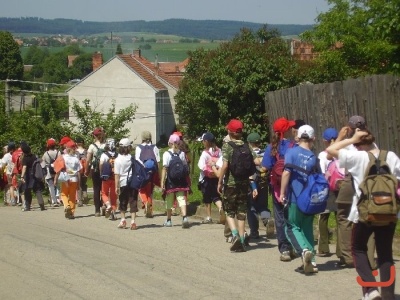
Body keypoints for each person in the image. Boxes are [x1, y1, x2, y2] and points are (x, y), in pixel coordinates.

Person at [327, 127, 399, 300]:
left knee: (358, 248)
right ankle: (388, 295)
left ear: (358, 144)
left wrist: (350, 139)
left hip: (364, 213)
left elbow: (330, 151)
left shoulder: (358, 157)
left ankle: (371, 289)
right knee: (385, 254)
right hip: (389, 212)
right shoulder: (391, 156)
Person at [280, 125, 319, 274]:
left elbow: (286, 173)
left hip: (295, 197)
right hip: (310, 199)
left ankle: (303, 251)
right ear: (313, 138)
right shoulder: (313, 157)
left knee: (291, 226)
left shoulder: (291, 152)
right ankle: (313, 261)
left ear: (298, 137)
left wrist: (282, 192)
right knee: (307, 228)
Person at [217, 119, 258, 252]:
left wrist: (219, 181)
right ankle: (242, 238)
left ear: (230, 131)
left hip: (231, 183)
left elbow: (225, 166)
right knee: (241, 211)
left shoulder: (227, 146)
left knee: (229, 210)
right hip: (244, 183)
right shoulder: (247, 146)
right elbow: (256, 161)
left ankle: (234, 235)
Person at [261, 117, 296, 261]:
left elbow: (265, 167)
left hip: (276, 188)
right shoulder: (293, 146)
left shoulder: (271, 147)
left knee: (280, 219)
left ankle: (284, 250)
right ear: (286, 130)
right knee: (292, 219)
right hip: (293, 187)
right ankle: (295, 246)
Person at [317, 127, 339, 257]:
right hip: (340, 187)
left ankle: (323, 248)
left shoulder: (323, 155)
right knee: (340, 218)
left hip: (327, 188)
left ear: (325, 141)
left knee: (323, 217)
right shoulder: (343, 152)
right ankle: (341, 250)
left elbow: (321, 172)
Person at [160, 134, 190, 228]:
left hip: (170, 180)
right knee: (181, 198)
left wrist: (162, 182)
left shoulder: (166, 154)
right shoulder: (182, 153)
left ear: (169, 143)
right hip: (181, 180)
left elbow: (165, 168)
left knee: (169, 200)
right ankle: (184, 218)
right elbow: (185, 166)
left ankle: (169, 220)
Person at [246, 132, 272, 241]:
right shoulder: (265, 153)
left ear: (249, 143)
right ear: (259, 143)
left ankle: (254, 232)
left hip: (252, 183)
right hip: (264, 183)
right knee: (262, 206)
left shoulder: (248, 153)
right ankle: (267, 220)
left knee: (251, 207)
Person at [197, 132, 225, 224]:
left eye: (203, 141)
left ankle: (209, 217)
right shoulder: (219, 151)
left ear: (206, 141)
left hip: (206, 179)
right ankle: (221, 208)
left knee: (207, 198)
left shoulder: (205, 153)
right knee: (216, 196)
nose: (203, 143)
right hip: (216, 176)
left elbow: (200, 165)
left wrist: (207, 170)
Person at [114, 138, 139, 230]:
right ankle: (133, 222)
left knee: (123, 201)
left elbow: (117, 174)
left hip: (123, 183)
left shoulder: (117, 160)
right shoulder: (132, 158)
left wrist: (116, 186)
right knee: (133, 201)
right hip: (132, 182)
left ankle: (123, 220)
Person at [135, 131, 160, 218]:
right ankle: (150, 209)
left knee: (141, 189)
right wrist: (158, 172)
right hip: (152, 171)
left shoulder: (139, 147)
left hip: (142, 171)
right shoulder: (154, 147)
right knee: (150, 191)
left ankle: (145, 203)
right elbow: (158, 160)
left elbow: (137, 159)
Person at [54, 141, 81, 219]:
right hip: (74, 179)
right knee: (72, 196)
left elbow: (58, 170)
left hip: (66, 179)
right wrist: (79, 184)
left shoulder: (63, 157)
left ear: (66, 148)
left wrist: (55, 179)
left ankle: (66, 206)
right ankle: (72, 213)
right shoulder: (76, 159)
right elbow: (79, 172)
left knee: (64, 194)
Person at [85, 127, 106, 217]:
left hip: (95, 169)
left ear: (94, 135)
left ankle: (97, 210)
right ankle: (105, 204)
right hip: (105, 169)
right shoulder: (106, 145)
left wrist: (86, 170)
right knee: (104, 189)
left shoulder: (92, 146)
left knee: (96, 189)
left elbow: (88, 160)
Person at [20, 142, 46, 212]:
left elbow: (24, 167)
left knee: (27, 191)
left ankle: (28, 207)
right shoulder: (34, 156)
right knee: (37, 190)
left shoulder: (25, 159)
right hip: (36, 174)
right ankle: (42, 205)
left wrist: (22, 176)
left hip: (28, 176)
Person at [99, 138, 118, 220]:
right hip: (115, 177)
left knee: (104, 193)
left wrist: (101, 172)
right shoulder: (118, 155)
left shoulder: (104, 155)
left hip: (106, 176)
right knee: (114, 195)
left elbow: (101, 164)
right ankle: (113, 212)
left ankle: (108, 205)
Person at [42, 138, 62, 207]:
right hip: (57, 170)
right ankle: (58, 199)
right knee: (57, 185)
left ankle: (54, 201)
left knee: (51, 186)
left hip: (48, 171)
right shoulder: (58, 152)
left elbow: (42, 163)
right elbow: (60, 161)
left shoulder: (46, 153)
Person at [75, 137, 88, 206]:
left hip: (78, 169)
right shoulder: (86, 151)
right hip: (85, 169)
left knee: (79, 185)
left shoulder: (75, 151)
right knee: (84, 183)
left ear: (77, 143)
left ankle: (80, 201)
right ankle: (85, 195)